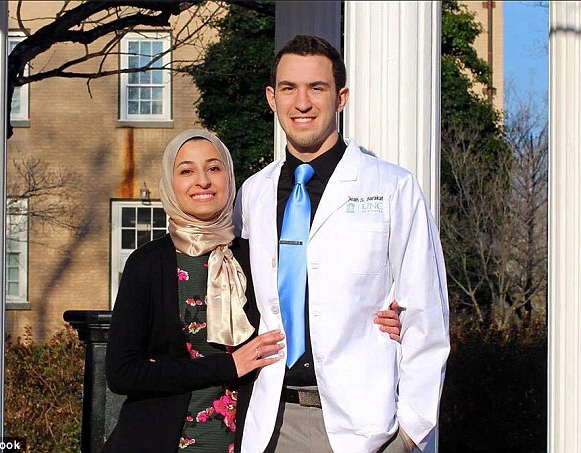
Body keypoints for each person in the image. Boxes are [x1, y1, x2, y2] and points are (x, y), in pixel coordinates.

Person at [103, 129, 403, 452]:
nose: (202, 181)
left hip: (251, 441)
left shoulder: (256, 253)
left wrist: (385, 321)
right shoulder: (147, 264)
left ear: (229, 178)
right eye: (186, 171)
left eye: (214, 168)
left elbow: (312, 305)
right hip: (160, 440)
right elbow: (122, 372)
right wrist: (227, 367)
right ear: (170, 183)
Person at [233, 35, 450, 453]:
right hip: (273, 421)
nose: (302, 103)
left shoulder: (393, 187)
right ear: (272, 98)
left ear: (341, 98)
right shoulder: (253, 194)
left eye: (317, 88)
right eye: (289, 88)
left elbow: (427, 314)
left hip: (367, 428)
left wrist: (410, 432)